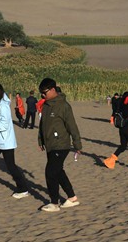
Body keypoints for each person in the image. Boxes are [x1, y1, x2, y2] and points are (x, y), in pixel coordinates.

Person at [37, 77, 82, 212]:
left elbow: (72, 126)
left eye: (44, 93)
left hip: (61, 145)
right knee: (58, 171)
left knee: (50, 172)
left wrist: (77, 145)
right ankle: (72, 197)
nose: (43, 95)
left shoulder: (64, 106)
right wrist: (41, 140)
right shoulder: (45, 105)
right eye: (41, 93)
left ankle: (54, 203)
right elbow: (42, 125)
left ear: (52, 90)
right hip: (50, 144)